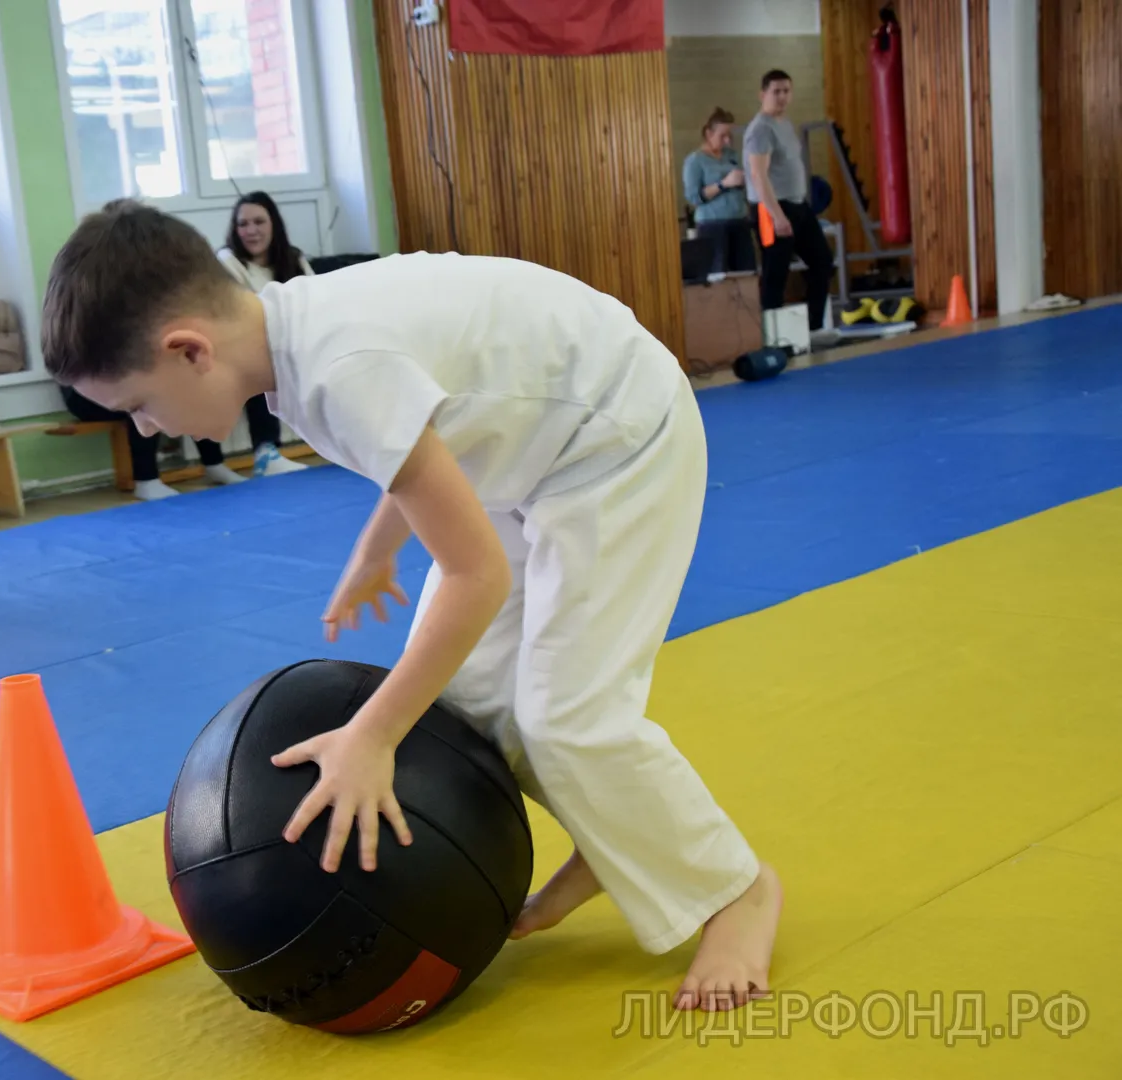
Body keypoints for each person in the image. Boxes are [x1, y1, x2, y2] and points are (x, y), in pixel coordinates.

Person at [39, 201, 782, 1013]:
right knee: (470, 700)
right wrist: (378, 547)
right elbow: (423, 428)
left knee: (569, 719)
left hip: (619, 436)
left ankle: (737, 891)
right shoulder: (292, 336)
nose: (148, 429)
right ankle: (624, 840)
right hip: (533, 449)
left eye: (138, 406)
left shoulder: (335, 369)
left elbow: (476, 575)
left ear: (190, 350)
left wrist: (372, 734)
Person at [216, 192, 312, 479]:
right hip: (247, 343)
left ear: (274, 224)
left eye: (259, 222)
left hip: (293, 337)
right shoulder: (228, 260)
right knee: (259, 356)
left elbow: (315, 298)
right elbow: (248, 310)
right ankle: (266, 451)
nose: (251, 230)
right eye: (243, 224)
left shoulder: (292, 258)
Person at [743, 69, 835, 331]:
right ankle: (772, 335)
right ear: (762, 94)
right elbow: (758, 175)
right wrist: (777, 216)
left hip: (797, 205)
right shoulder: (760, 129)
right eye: (776, 92)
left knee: (822, 262)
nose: (782, 97)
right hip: (771, 209)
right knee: (776, 272)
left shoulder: (784, 123)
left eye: (786, 91)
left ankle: (813, 327)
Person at [58, 383, 247, 501]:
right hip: (85, 394)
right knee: (145, 400)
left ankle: (214, 463)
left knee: (193, 391)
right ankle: (146, 481)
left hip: (116, 384)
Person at [682, 108, 756, 275]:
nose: (727, 141)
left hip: (739, 221)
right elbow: (694, 197)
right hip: (713, 225)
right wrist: (724, 184)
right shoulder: (695, 161)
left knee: (747, 273)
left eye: (730, 136)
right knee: (717, 275)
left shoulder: (732, 155)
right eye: (722, 136)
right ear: (709, 133)